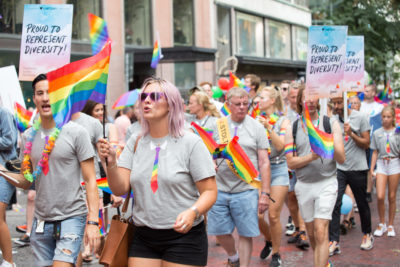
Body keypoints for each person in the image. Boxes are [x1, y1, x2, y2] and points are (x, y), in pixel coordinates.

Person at [98, 77, 218, 267]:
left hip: (184, 238)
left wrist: (193, 211)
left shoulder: (190, 142)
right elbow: (120, 188)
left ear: (171, 104)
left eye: (154, 96)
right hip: (143, 235)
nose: (147, 100)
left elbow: (210, 191)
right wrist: (111, 163)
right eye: (144, 96)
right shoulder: (136, 142)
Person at [0, 74, 100, 266]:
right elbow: (26, 180)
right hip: (42, 221)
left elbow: (90, 180)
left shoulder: (77, 132)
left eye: (51, 93)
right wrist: (2, 170)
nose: (46, 98)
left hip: (72, 217)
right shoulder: (28, 136)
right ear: (35, 98)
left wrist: (93, 222)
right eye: (40, 93)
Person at [207, 87, 271, 267]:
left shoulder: (257, 127)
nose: (242, 107)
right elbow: (207, 151)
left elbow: (264, 162)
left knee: (245, 233)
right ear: (228, 104)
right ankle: (233, 256)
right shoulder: (217, 125)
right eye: (238, 104)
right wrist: (210, 162)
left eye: (245, 103)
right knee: (219, 230)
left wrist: (265, 193)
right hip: (219, 188)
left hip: (246, 189)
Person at [285, 86, 345, 267]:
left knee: (320, 231)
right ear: (300, 101)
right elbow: (290, 163)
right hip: (303, 185)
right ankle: (324, 262)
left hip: (327, 183)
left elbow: (341, 158)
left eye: (313, 97)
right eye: (306, 97)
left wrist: (327, 144)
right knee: (312, 235)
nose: (310, 100)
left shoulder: (330, 124)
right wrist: (311, 156)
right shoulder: (293, 127)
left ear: (318, 100)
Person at [329, 97, 373, 255]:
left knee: (362, 204)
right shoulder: (332, 120)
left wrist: (351, 134)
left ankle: (367, 235)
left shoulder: (359, 117)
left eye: (339, 103)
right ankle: (334, 241)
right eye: (334, 103)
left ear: (346, 101)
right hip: (339, 168)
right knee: (335, 203)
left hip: (358, 167)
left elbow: (366, 143)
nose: (336, 106)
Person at [257, 87, 291, 266]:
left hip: (278, 169)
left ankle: (276, 254)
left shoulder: (283, 121)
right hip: (259, 171)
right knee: (256, 215)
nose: (258, 101)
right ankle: (269, 240)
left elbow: (281, 147)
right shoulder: (253, 119)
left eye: (261, 98)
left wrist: (268, 127)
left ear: (271, 101)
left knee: (273, 215)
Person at [370, 106, 400, 237]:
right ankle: (382, 223)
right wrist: (372, 168)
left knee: (392, 196)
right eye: (384, 117)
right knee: (380, 195)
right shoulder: (377, 133)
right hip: (382, 163)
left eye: (388, 117)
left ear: (393, 118)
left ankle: (391, 225)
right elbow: (375, 151)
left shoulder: (397, 132)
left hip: (394, 162)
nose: (386, 119)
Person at [0, 107, 18, 267]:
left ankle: (8, 261)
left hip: (6, 170)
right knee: (1, 217)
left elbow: (9, 140)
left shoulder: (3, 113)